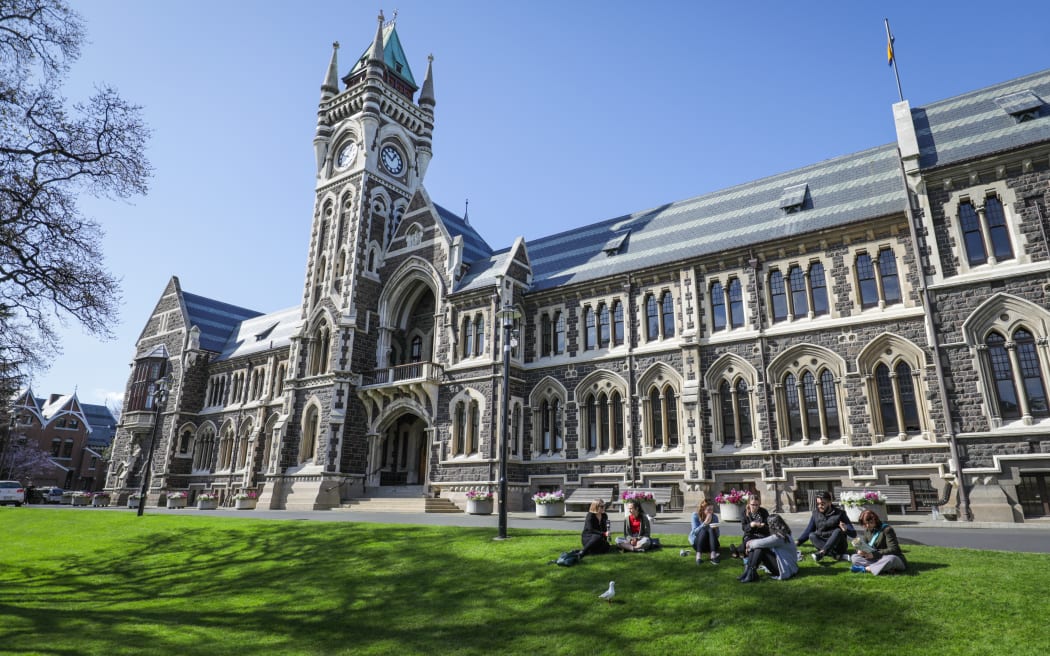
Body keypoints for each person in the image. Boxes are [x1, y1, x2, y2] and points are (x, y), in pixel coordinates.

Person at [796, 491, 856, 562]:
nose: (819, 506)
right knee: (811, 535)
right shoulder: (815, 513)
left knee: (838, 531)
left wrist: (846, 529)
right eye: (818, 504)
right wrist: (798, 542)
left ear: (830, 503)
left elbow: (853, 534)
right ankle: (835, 555)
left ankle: (824, 552)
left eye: (822, 504)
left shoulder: (840, 514)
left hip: (838, 545)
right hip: (822, 542)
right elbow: (809, 530)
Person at [738, 514, 799, 583]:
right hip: (789, 567)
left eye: (769, 524)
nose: (768, 526)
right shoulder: (783, 533)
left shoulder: (779, 537)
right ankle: (749, 571)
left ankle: (751, 572)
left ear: (772, 525)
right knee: (759, 547)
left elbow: (758, 543)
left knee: (760, 548)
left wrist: (748, 544)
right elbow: (763, 542)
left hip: (786, 569)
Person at [850, 509, 907, 575]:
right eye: (865, 524)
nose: (868, 526)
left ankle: (866, 568)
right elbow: (864, 545)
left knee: (891, 559)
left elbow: (894, 549)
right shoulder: (867, 530)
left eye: (870, 523)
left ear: (875, 520)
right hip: (876, 559)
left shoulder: (887, 529)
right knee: (854, 557)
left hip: (890, 557)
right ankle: (883, 568)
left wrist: (874, 554)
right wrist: (860, 551)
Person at [688, 500, 720, 564]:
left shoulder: (714, 517)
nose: (711, 512)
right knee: (703, 529)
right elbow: (694, 532)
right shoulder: (695, 515)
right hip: (698, 544)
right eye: (709, 509)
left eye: (712, 509)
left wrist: (716, 529)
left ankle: (713, 556)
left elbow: (717, 535)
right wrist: (704, 523)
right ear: (703, 509)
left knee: (710, 529)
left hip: (711, 544)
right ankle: (698, 557)